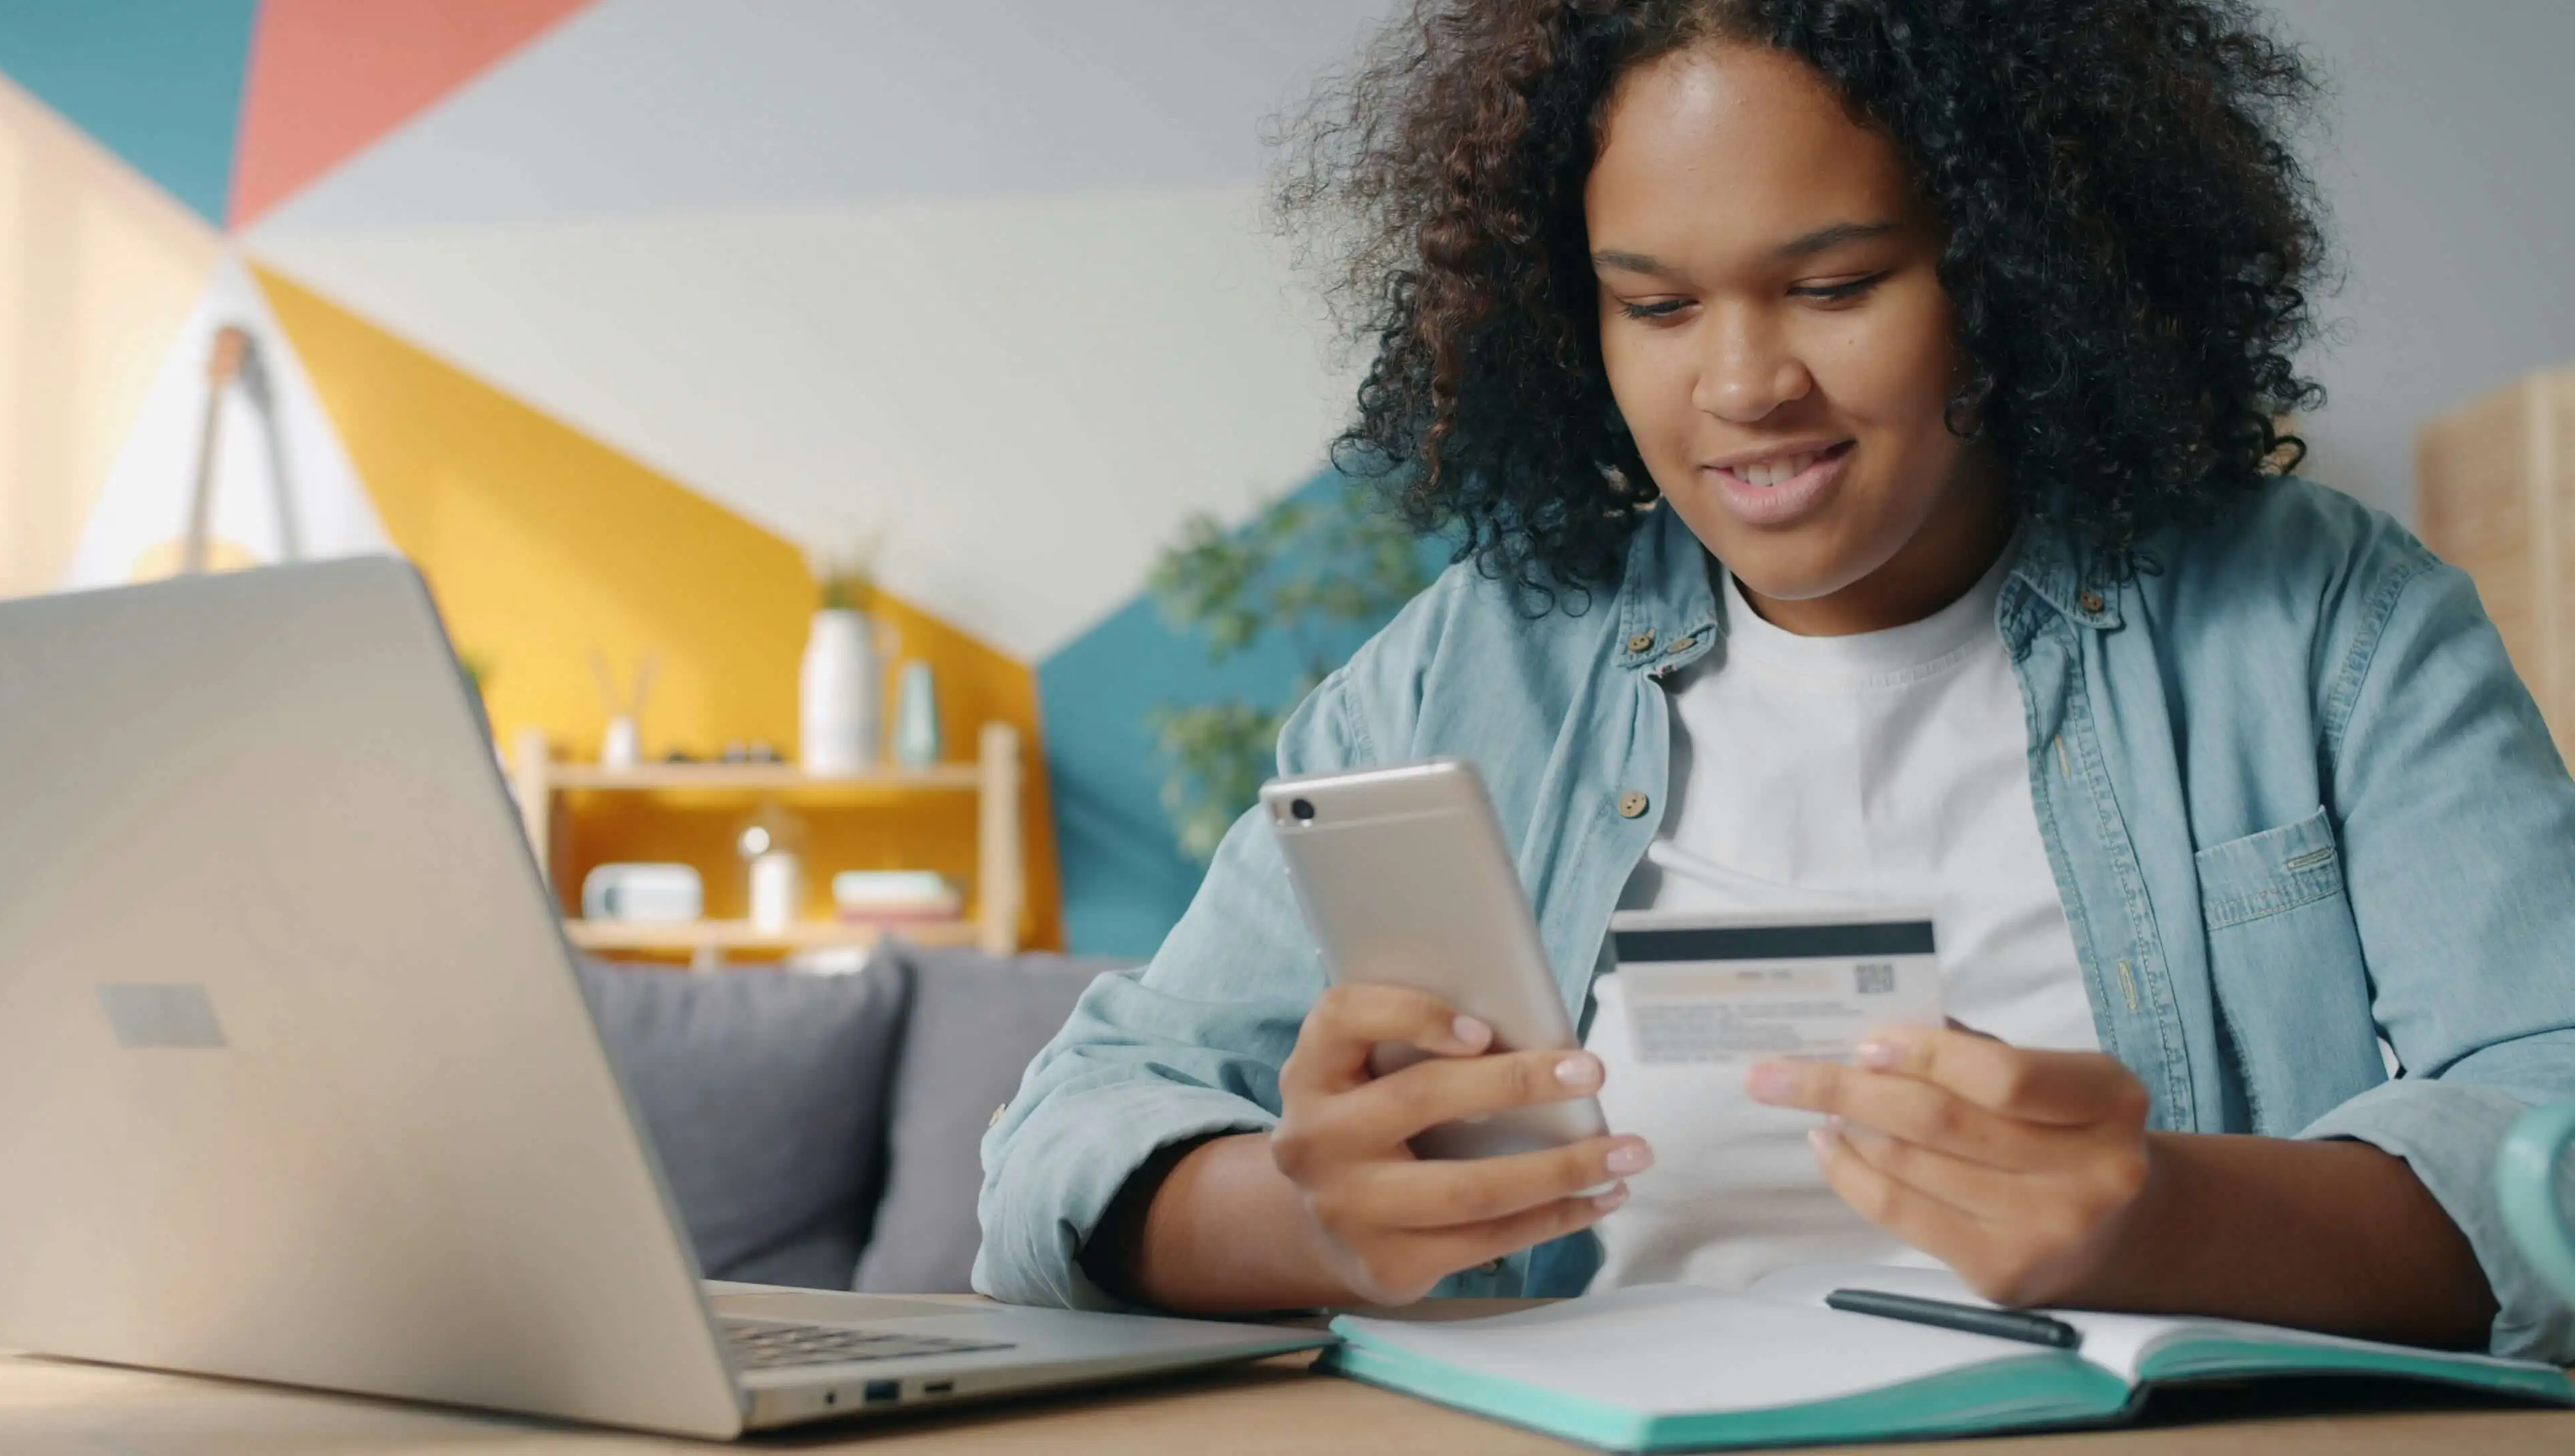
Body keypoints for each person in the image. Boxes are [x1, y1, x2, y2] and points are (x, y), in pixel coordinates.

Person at [977, 0, 2575, 1361]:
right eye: (1655, 305)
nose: (1742, 385)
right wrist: (1303, 1216)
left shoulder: (2327, 624)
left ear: (2018, 270)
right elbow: (1063, 1146)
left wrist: (2171, 1214)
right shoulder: (1468, 668)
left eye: (1835, 285)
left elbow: (2554, 1130)